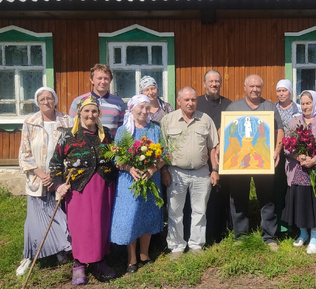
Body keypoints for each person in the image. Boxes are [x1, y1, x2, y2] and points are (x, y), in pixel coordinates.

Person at [50, 95, 118, 285]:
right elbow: (55, 163)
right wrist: (59, 184)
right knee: (80, 227)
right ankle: (79, 263)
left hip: (103, 187)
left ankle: (99, 261)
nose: (90, 115)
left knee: (101, 225)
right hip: (78, 188)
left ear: (99, 114)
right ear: (79, 114)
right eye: (86, 111)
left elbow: (115, 159)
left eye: (94, 111)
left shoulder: (106, 136)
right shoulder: (68, 136)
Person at [16, 87, 72, 276]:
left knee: (58, 215)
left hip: (60, 178)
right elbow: (24, 154)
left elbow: (71, 150)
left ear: (55, 100)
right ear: (37, 102)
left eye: (49, 98)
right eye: (42, 99)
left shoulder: (67, 121)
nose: (46, 101)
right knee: (35, 220)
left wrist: (57, 177)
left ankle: (58, 250)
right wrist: (42, 174)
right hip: (38, 179)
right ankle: (29, 256)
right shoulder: (30, 122)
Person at [226, 74, 284, 251]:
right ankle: (241, 236)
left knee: (267, 199)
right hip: (239, 162)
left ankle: (269, 237)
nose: (255, 90)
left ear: (262, 88)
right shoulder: (233, 107)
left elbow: (279, 130)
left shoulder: (269, 107)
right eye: (251, 86)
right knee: (238, 198)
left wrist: (276, 150)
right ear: (245, 87)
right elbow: (225, 129)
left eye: (258, 86)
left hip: (263, 159)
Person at [160, 86, 219, 260]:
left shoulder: (205, 119)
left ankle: (196, 245)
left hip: (201, 172)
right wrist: (164, 170)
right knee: (175, 211)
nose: (190, 103)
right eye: (186, 100)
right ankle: (176, 247)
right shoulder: (168, 120)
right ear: (179, 101)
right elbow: (161, 150)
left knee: (199, 210)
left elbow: (213, 148)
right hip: (175, 172)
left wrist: (215, 169)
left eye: (193, 99)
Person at [110, 95, 166, 274]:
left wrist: (153, 169)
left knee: (147, 214)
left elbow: (164, 155)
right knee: (131, 216)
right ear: (132, 109)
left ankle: (144, 254)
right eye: (140, 108)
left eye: (147, 108)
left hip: (151, 178)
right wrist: (130, 168)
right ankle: (131, 258)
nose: (144, 111)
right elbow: (117, 158)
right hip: (129, 180)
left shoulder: (155, 129)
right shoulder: (123, 131)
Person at [282, 90, 316, 254]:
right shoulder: (294, 120)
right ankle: (303, 233)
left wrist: (314, 160)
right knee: (300, 202)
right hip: (298, 169)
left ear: (315, 103)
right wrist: (298, 156)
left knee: (314, 203)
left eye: (308, 103)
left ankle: (314, 237)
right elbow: (286, 146)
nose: (305, 107)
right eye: (303, 103)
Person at [196, 70, 233, 243]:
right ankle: (205, 231)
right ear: (204, 84)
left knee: (222, 193)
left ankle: (222, 229)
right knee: (203, 195)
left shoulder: (228, 104)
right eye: (210, 81)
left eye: (217, 81)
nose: (214, 84)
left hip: (225, 156)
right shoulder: (196, 104)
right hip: (202, 156)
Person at [69, 64, 126, 138]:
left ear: (110, 80)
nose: (103, 82)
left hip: (110, 147)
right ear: (92, 80)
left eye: (106, 78)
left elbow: (121, 128)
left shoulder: (119, 102)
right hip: (85, 145)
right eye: (99, 78)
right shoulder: (79, 101)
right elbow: (72, 125)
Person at [274, 79, 300, 235]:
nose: (281, 94)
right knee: (277, 189)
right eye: (279, 91)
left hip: (294, 156)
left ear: (290, 92)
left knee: (292, 190)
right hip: (277, 155)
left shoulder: (298, 110)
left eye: (284, 91)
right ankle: (280, 223)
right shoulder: (272, 109)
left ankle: (293, 223)